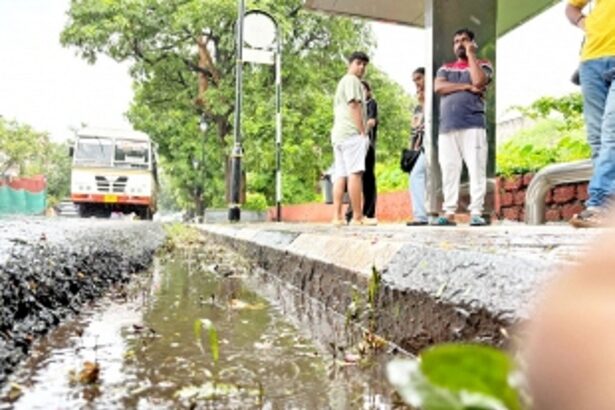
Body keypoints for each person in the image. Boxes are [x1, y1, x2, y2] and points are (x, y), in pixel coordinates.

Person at [432, 28, 493, 227]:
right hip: (447, 127)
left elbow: (479, 80)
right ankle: (449, 213)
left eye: (464, 40)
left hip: (473, 125)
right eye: (456, 41)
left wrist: (471, 53)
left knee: (476, 167)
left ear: (472, 42)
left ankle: (476, 212)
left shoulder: (483, 63)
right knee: (449, 169)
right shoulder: (445, 68)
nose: (459, 43)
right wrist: (466, 87)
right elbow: (439, 87)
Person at [566, 0, 615, 228]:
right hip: (591, 61)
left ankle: (600, 203)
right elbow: (571, 7)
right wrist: (586, 23)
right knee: (597, 139)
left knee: (612, 132)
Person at [330, 51, 376, 226]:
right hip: (351, 133)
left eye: (365, 64)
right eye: (358, 63)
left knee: (340, 175)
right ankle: (357, 217)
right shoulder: (351, 81)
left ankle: (337, 217)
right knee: (355, 174)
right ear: (350, 64)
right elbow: (354, 105)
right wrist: (362, 130)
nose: (362, 67)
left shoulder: (342, 82)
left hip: (339, 135)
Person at [345, 80, 378, 223]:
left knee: (367, 179)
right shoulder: (354, 105)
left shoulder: (370, 103)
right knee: (354, 176)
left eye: (364, 89)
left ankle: (368, 212)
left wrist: (362, 129)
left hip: (366, 144)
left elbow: (372, 121)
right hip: (354, 143)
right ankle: (351, 212)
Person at [407, 67, 428, 226]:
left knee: (417, 176)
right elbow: (414, 128)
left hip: (435, 144)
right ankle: (421, 215)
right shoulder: (418, 105)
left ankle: (422, 215)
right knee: (417, 176)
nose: (417, 84)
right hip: (421, 147)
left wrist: (425, 103)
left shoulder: (434, 98)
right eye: (415, 81)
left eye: (419, 79)